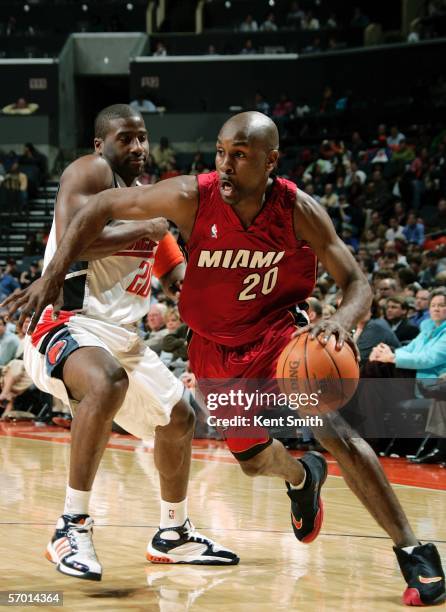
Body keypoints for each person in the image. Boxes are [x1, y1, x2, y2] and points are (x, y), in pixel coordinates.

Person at [4, 112, 445, 606]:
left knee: (327, 425)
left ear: (270, 160)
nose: (227, 165)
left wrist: (341, 320)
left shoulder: (298, 208)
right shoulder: (187, 195)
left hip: (276, 335)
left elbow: (357, 283)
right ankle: (303, 477)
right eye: (221, 153)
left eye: (240, 155)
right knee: (253, 461)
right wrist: (51, 277)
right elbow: (98, 209)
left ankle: (414, 549)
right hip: (210, 349)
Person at [1, 104, 238, 581]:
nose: (138, 147)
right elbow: (75, 237)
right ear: (100, 144)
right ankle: (71, 525)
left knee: (179, 418)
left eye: (143, 138)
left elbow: (178, 278)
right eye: (126, 138)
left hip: (123, 337)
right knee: (106, 381)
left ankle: (174, 533)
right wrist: (149, 227)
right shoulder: (90, 173)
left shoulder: (148, 200)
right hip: (64, 323)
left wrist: (226, 293)